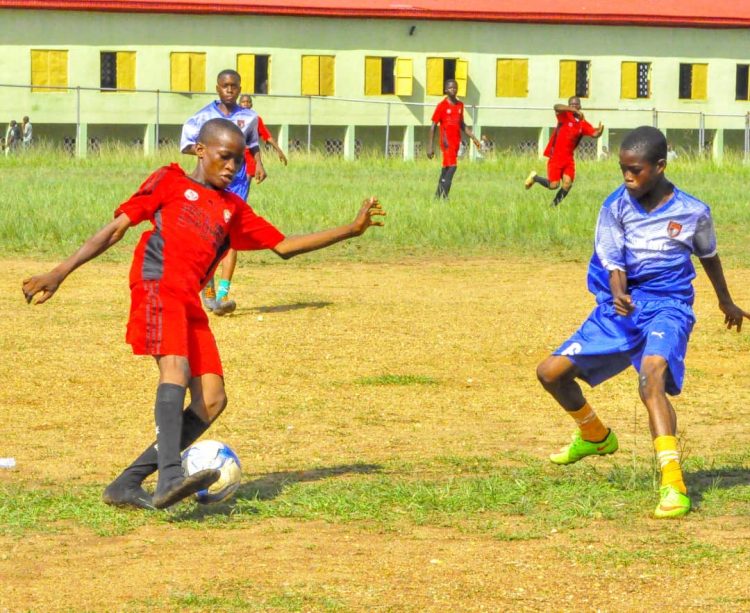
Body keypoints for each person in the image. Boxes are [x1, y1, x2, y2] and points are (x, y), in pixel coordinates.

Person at [22, 118, 386, 510]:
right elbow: (115, 230)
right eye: (225, 157)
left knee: (212, 399)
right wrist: (59, 272)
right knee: (174, 369)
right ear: (200, 150)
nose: (232, 167)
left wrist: (350, 230)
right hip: (156, 283)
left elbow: (284, 245)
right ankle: (170, 477)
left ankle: (126, 484)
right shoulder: (169, 180)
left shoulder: (233, 209)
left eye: (239, 162)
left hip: (190, 301)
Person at [535, 125, 749, 519]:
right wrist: (617, 291)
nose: (628, 177)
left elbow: (709, 256)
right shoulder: (614, 206)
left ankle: (673, 485)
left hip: (669, 307)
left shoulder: (693, 211)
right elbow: (612, 258)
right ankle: (595, 435)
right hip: (624, 308)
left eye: (636, 170)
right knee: (550, 373)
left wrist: (726, 300)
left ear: (660, 166)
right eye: (623, 169)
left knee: (650, 379)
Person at [180, 69, 265, 317]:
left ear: (240, 88)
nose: (229, 90)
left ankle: (223, 293)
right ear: (217, 88)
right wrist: (214, 157)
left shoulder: (249, 117)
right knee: (209, 232)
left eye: (234, 86)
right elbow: (187, 145)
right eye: (225, 86)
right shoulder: (203, 117)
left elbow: (252, 144)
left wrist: (258, 163)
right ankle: (208, 287)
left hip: (238, 181)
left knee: (231, 235)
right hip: (212, 181)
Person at [524, 96, 604, 206]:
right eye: (572, 104)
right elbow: (556, 107)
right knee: (554, 185)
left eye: (576, 104)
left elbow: (593, 133)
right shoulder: (564, 116)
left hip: (568, 159)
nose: (574, 106)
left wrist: (599, 132)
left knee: (567, 184)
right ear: (569, 105)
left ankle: (552, 207)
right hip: (556, 157)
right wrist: (572, 110)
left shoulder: (582, 123)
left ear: (580, 106)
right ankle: (535, 178)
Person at [426, 79, 481, 199]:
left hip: (456, 142)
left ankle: (437, 196)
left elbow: (462, 124)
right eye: (451, 88)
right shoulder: (442, 106)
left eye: (455, 88)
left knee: (446, 169)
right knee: (452, 167)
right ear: (446, 90)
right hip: (446, 142)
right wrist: (429, 147)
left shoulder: (460, 105)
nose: (453, 90)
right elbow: (433, 126)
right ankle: (445, 197)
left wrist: (474, 138)